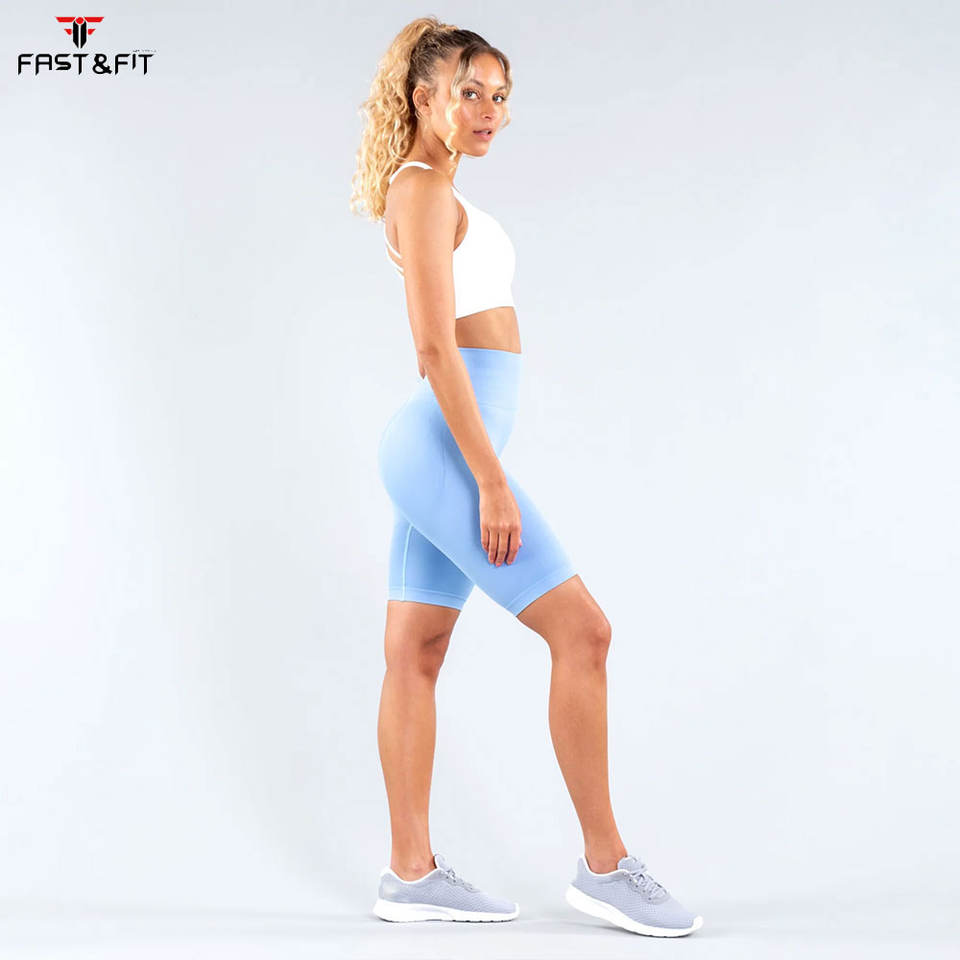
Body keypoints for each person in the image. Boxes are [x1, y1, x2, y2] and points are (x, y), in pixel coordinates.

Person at [349, 16, 702, 938]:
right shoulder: (422, 189)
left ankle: (409, 875)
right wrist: (491, 480)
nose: (488, 112)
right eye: (470, 93)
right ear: (424, 97)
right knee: (584, 632)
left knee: (415, 653)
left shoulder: (437, 188)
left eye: (500, 97)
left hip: (441, 446)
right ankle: (605, 865)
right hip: (445, 449)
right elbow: (434, 349)